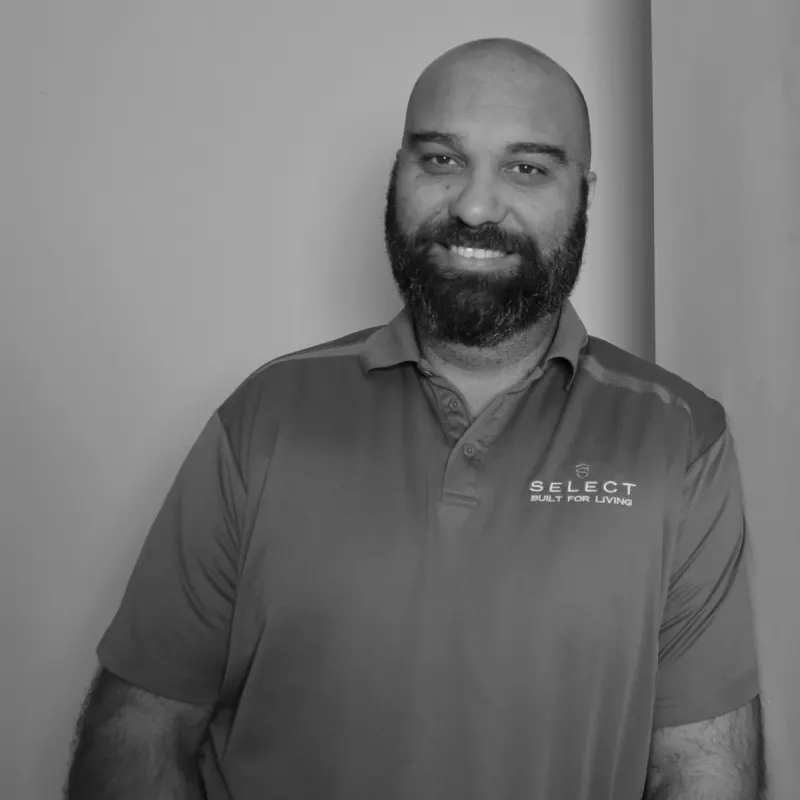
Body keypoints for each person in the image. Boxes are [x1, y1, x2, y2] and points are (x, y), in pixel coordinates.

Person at [64, 37, 765, 800]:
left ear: (584, 195)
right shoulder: (263, 419)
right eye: (439, 159)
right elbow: (141, 731)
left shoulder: (680, 439)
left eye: (527, 168)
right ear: (398, 173)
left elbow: (703, 773)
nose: (472, 204)